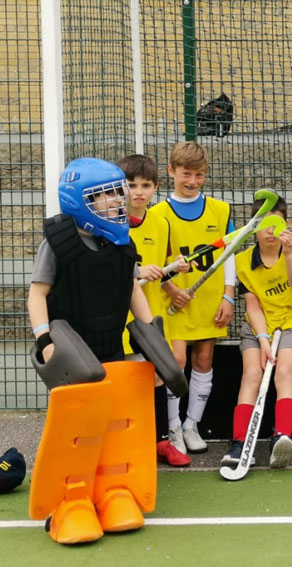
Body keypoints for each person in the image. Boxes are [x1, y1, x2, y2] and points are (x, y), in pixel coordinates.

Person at [26, 158, 184, 544]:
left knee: (115, 426)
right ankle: (70, 501)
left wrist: (152, 335)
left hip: (111, 349)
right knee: (78, 430)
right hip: (72, 357)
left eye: (119, 191)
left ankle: (114, 492)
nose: (118, 199)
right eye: (105, 194)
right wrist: (45, 340)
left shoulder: (120, 242)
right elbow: (37, 293)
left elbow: (131, 289)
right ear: (79, 200)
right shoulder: (58, 243)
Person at [150, 141, 236, 456]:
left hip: (210, 300)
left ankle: (191, 425)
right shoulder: (157, 214)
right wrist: (171, 289)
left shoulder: (221, 209)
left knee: (203, 361)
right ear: (171, 171)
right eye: (186, 173)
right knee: (175, 363)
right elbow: (155, 261)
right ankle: (172, 427)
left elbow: (229, 255)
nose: (193, 181)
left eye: (199, 175)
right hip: (172, 303)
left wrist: (229, 295)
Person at [221, 196, 292, 469]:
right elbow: (252, 305)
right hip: (259, 324)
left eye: (276, 224)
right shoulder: (242, 261)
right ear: (253, 228)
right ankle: (239, 443)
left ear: (285, 224)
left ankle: (281, 437)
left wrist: (287, 255)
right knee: (251, 373)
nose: (270, 231)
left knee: (284, 370)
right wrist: (262, 339)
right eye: (263, 224)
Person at [117, 154, 191, 467]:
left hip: (153, 316)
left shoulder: (161, 223)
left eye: (145, 185)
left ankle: (161, 441)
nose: (138, 191)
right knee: (125, 380)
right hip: (121, 319)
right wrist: (136, 271)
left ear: (156, 187)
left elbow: (159, 273)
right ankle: (125, 442)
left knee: (158, 377)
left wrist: (173, 278)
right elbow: (110, 272)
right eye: (131, 185)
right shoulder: (110, 224)